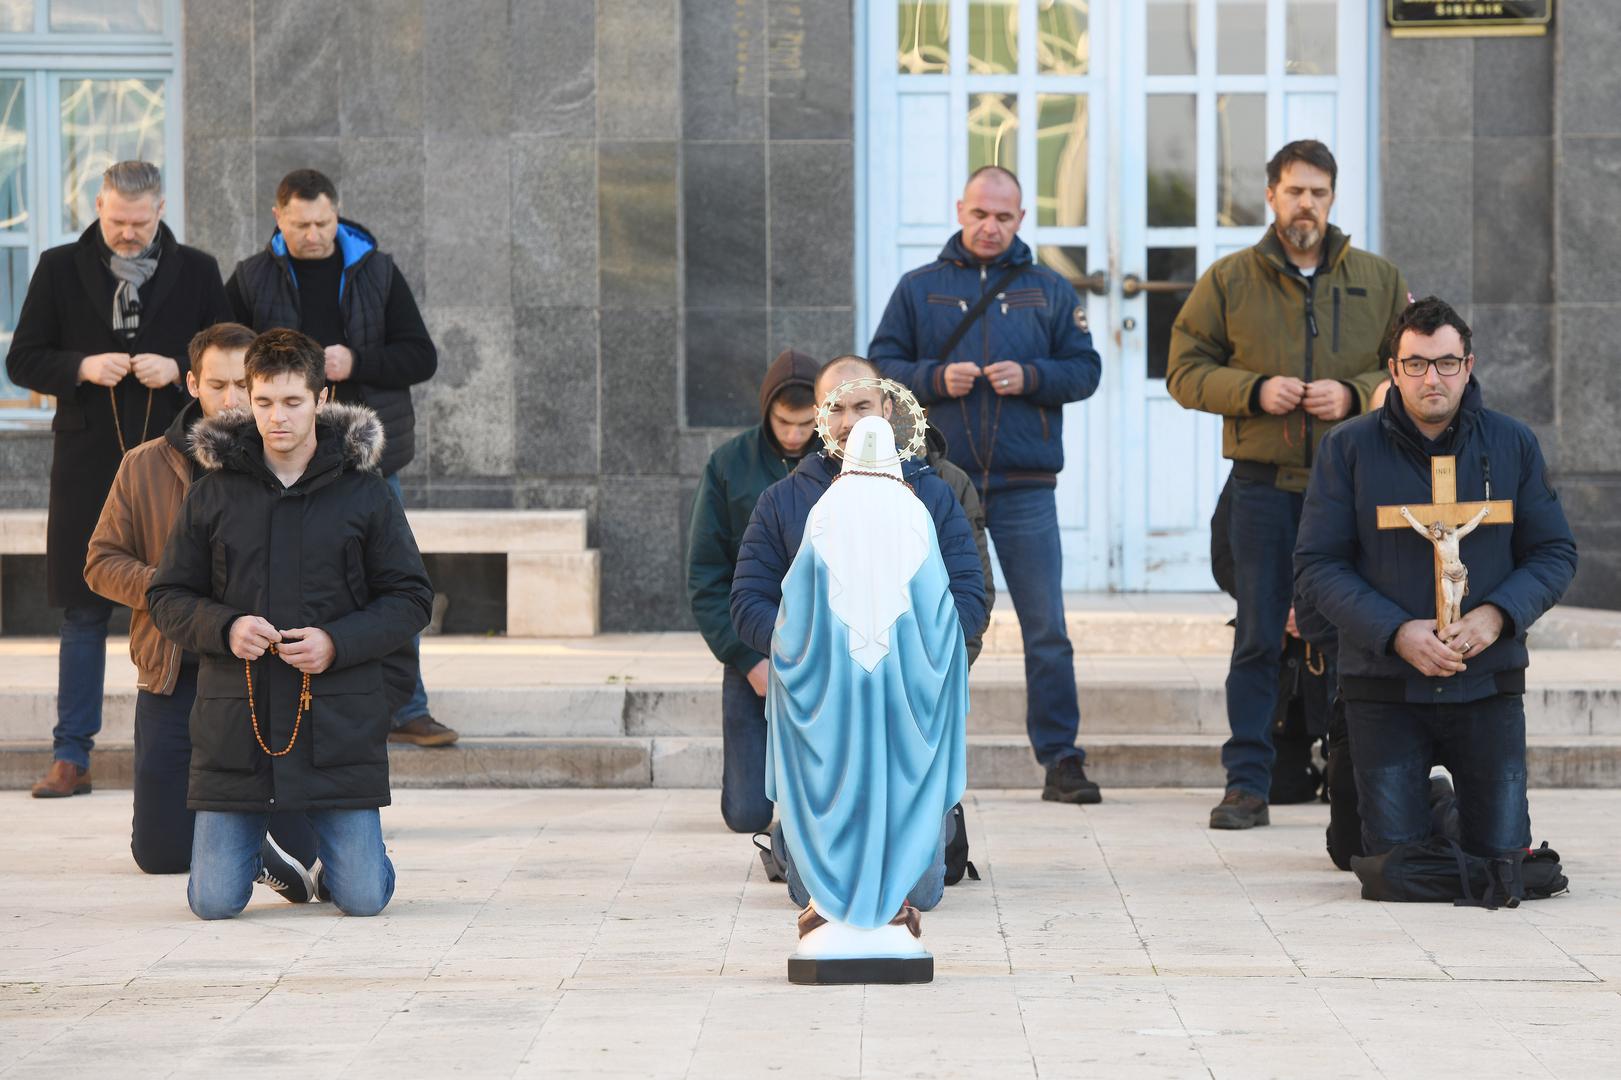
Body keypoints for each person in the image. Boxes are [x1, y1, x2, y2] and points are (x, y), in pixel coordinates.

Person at [148, 329, 433, 919]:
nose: (277, 418)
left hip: (336, 719)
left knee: (362, 899)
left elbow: (410, 597)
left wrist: (337, 642)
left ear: (322, 398)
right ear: (248, 399)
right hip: (239, 721)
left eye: (292, 402)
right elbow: (168, 595)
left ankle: (351, 854)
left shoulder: (366, 492)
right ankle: (268, 851)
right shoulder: (212, 492)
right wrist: (225, 628)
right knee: (212, 903)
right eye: (264, 402)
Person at [1166, 139, 1410, 830]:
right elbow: (1183, 369)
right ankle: (1247, 781)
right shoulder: (1228, 280)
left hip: (1349, 487)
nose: (1306, 204)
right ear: (1269, 195)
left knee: (1354, 632)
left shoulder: (1378, 278)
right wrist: (1253, 390)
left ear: (1332, 200)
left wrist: (1356, 392)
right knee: (1257, 633)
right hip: (1261, 486)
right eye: (1294, 190)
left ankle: (1350, 772)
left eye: (1319, 192)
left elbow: (1408, 368)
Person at [1294, 297, 1576, 860]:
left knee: (1501, 859)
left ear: (1468, 366)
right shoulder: (1347, 448)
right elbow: (1317, 564)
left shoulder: (1511, 442)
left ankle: (1444, 808)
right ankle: (1409, 805)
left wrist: (1496, 616)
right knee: (1389, 864)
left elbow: (1553, 551)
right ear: (1394, 371)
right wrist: (1398, 632)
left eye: (1447, 363)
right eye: (1417, 364)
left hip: (1485, 679)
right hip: (1385, 683)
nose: (1433, 378)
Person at [869, 165, 1102, 805]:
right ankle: (908, 746)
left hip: (1027, 486)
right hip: (937, 484)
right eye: (979, 214)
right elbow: (879, 366)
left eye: (1003, 216)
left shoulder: (1049, 289)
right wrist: (937, 379)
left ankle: (1062, 759)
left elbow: (1085, 371)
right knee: (920, 617)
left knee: (1045, 626)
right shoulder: (920, 288)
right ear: (960, 210)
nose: (990, 226)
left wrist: (1028, 376)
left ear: (1021, 219)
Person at [5, 161, 230, 799]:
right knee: (82, 610)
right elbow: (22, 358)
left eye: (140, 221)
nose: (127, 233)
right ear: (98, 205)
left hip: (176, 461)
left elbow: (232, 352)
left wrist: (180, 364)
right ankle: (71, 755)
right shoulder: (56, 266)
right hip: (87, 463)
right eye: (116, 220)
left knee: (189, 598)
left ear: (161, 209)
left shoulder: (199, 269)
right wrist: (79, 365)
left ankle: (197, 747)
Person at [731, 356, 988, 912]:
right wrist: (806, 652)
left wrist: (923, 658)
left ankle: (929, 827)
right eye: (835, 408)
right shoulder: (785, 501)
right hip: (823, 706)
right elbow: (748, 600)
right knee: (811, 888)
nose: (849, 422)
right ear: (821, 417)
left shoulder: (933, 496)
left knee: (919, 890)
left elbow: (968, 595)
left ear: (888, 409)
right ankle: (800, 837)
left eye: (861, 406)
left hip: (909, 703)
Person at [84, 323, 321, 897]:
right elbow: (100, 562)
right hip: (175, 671)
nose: (236, 400)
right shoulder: (143, 465)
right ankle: (245, 845)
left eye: (248, 385)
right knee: (161, 854)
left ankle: (259, 841)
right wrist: (176, 591)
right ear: (192, 384)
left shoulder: (291, 462)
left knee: (309, 849)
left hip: (266, 671)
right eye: (220, 384)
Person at [225, 168, 451, 748]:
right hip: (281, 457)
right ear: (279, 218)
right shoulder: (252, 277)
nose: (315, 234)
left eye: (324, 221)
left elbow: (420, 356)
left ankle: (408, 707)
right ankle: (284, 700)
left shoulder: (377, 268)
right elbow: (230, 359)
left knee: (395, 581)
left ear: (337, 211)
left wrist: (359, 362)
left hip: (369, 458)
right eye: (301, 224)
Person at [768, 413, 968, 956]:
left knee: (832, 785)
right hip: (906, 697)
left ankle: (831, 899)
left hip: (832, 697)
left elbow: (794, 616)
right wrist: (911, 658)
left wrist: (806, 662)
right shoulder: (914, 510)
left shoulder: (825, 510)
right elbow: (943, 616)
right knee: (923, 880)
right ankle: (894, 900)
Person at [687, 348, 821, 835]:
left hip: (822, 646)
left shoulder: (836, 465)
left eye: (806, 423)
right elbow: (705, 574)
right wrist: (747, 660)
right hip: (753, 648)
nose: (793, 435)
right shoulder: (729, 464)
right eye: (784, 422)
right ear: (766, 409)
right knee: (746, 814)